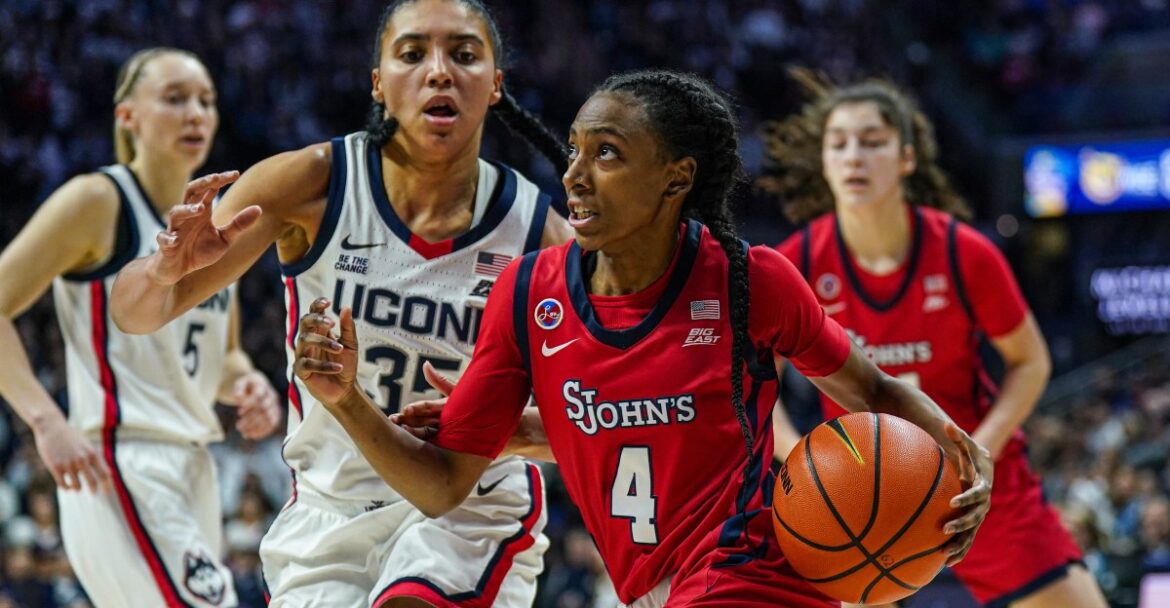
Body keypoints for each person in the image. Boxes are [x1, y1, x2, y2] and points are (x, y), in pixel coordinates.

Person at [291, 69, 994, 608]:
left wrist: (964, 456)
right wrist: (347, 400)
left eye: (607, 154)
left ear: (675, 178)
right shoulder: (529, 294)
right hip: (650, 589)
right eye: (574, 150)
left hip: (752, 577)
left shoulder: (750, 281)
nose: (573, 174)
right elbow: (442, 486)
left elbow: (872, 389)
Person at [109, 1, 572, 606]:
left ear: (495, 86)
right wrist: (162, 269)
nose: (439, 72)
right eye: (412, 54)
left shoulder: (539, 234)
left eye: (464, 55)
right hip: (330, 511)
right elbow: (134, 313)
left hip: (469, 508)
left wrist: (498, 431)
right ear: (378, 83)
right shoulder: (312, 184)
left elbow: (597, 418)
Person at [761, 71, 1108, 608]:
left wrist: (980, 449)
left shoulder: (963, 252)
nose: (854, 157)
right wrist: (802, 457)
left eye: (872, 142)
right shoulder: (797, 263)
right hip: (858, 490)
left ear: (906, 158)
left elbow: (1031, 362)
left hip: (979, 487)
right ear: (824, 161)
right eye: (839, 144)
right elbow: (756, 386)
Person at [0, 47, 281, 607]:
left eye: (206, 101)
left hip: (196, 462)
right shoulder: (98, 201)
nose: (195, 113)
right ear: (127, 116)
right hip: (119, 459)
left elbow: (222, 355)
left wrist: (249, 384)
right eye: (174, 99)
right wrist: (45, 420)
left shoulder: (216, 224)